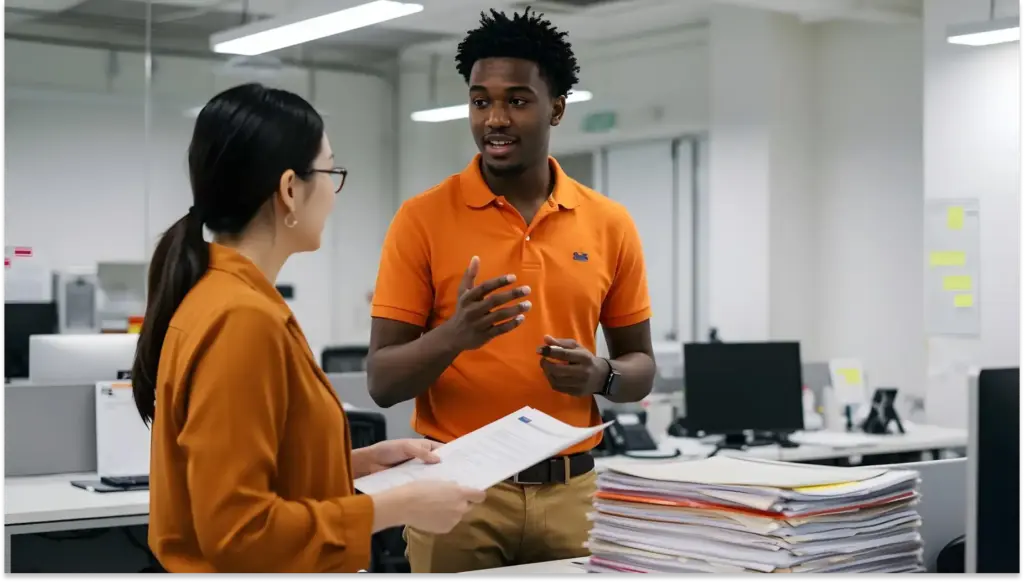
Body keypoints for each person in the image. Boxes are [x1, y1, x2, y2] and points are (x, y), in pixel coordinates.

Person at [131, 83, 485, 574]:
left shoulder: (223, 297)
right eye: (330, 172)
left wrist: (354, 465)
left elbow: (247, 478)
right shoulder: (241, 320)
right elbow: (238, 531)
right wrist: (398, 508)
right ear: (290, 189)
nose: (333, 197)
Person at [368, 8, 656, 574]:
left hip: (574, 494)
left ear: (556, 107)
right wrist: (455, 335)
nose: (495, 118)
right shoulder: (422, 218)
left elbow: (641, 364)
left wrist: (600, 375)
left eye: (517, 100)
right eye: (481, 101)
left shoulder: (609, 223)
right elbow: (381, 381)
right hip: (455, 492)